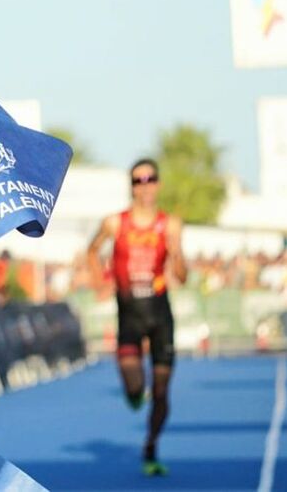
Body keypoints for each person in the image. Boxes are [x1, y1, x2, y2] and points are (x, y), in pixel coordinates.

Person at [87, 158, 185, 477]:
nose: (144, 185)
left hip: (160, 316)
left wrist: (176, 252)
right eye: (137, 180)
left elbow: (183, 277)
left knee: (160, 392)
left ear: (158, 184)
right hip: (129, 316)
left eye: (150, 179)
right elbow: (92, 250)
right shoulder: (115, 223)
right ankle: (134, 394)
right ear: (131, 186)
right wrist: (99, 280)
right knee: (133, 387)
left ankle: (151, 447)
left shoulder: (169, 224)